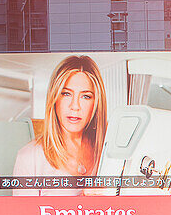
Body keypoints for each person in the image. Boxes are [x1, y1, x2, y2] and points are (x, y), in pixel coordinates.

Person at [13, 54, 108, 196]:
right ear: (54, 98)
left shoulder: (107, 152)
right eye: (66, 94)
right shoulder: (29, 157)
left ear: (96, 103)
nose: (75, 106)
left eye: (86, 96)